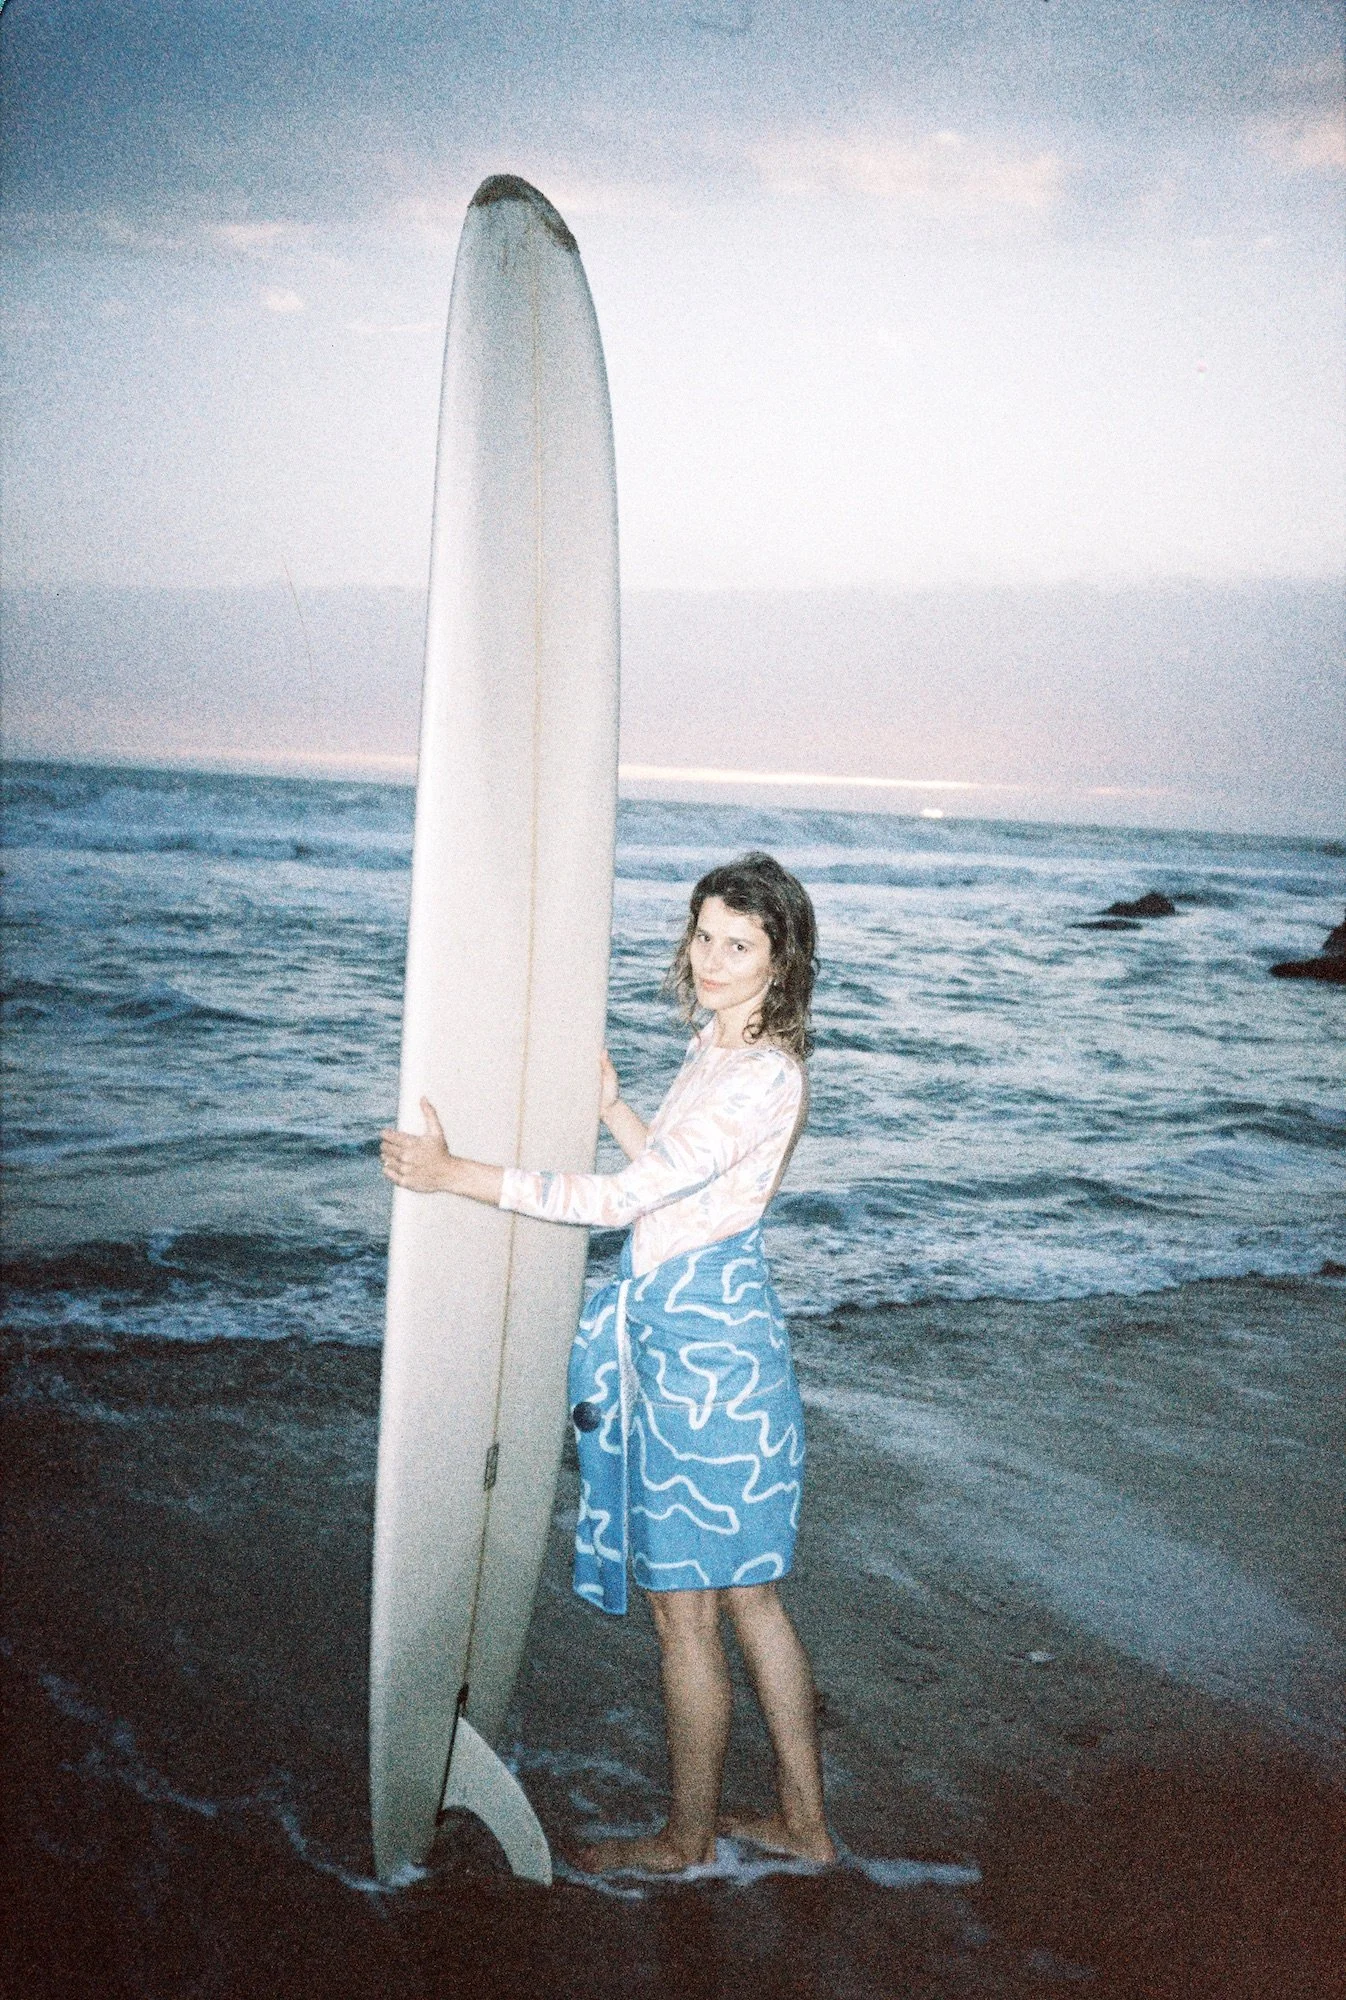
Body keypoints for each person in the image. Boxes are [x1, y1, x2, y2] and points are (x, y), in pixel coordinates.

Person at [380, 850, 835, 1876]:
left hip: (705, 1358)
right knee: (750, 1595)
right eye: (701, 933)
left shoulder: (759, 1067)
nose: (709, 958)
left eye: (737, 944)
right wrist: (614, 1108)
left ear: (779, 960)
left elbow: (622, 1202)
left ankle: (684, 1839)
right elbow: (680, 1187)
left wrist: (457, 1176)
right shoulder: (719, 1050)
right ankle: (804, 1826)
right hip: (708, 1335)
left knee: (693, 1605)